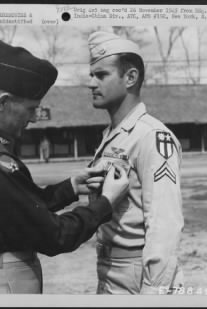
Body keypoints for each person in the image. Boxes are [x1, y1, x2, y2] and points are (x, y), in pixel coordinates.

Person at [0, 37, 130, 294]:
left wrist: (72, 186)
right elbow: (55, 236)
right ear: (3, 102)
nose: (32, 119)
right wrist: (106, 203)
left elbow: (18, 209)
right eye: (30, 109)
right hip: (1, 282)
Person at [86, 31, 184, 295]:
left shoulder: (151, 136)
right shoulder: (114, 134)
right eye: (91, 75)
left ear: (130, 77)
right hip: (109, 265)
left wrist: (155, 291)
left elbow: (164, 222)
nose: (91, 83)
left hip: (136, 271)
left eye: (101, 75)